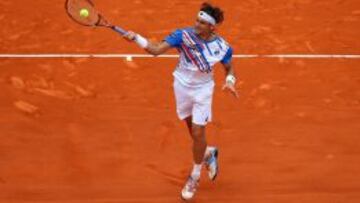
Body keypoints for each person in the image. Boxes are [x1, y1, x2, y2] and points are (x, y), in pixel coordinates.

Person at [123, 2, 238, 200]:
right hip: (181, 86)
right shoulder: (182, 36)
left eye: (202, 23)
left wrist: (229, 81)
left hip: (203, 90)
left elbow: (229, 68)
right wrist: (137, 38)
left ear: (212, 27)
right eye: (197, 20)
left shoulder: (222, 47)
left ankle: (194, 176)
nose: (197, 24)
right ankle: (208, 153)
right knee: (191, 129)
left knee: (198, 131)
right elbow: (156, 50)